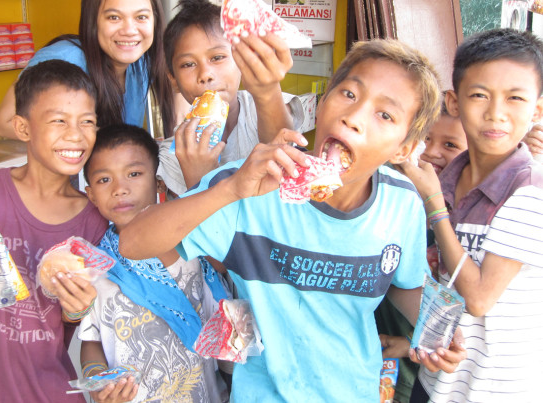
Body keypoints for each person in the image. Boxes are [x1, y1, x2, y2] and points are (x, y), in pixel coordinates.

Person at [116, 39, 467, 401]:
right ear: (323, 102)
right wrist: (230, 189)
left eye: (385, 115)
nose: (355, 117)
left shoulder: (401, 204)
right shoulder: (253, 187)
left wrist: (436, 330)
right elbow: (133, 243)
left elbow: (403, 284)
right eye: (348, 93)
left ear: (404, 149)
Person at [0, 60, 108, 402]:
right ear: (23, 129)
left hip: (42, 390)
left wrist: (75, 310)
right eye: (59, 120)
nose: (76, 134)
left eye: (87, 122)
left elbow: (79, 327)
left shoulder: (93, 221)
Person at [397, 28, 543, 403]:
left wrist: (432, 205)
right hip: (438, 380)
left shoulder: (529, 192)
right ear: (455, 102)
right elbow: (446, 280)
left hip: (496, 390)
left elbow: (478, 298)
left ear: (537, 109)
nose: (496, 114)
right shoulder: (449, 178)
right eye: (480, 95)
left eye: (515, 99)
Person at [78, 124, 229, 403]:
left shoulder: (193, 248)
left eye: (134, 174)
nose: (120, 189)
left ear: (158, 184)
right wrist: (97, 381)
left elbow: (226, 328)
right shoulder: (94, 267)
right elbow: (90, 342)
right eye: (103, 180)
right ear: (91, 195)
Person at [0, 0, 174, 139]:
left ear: (155, 21)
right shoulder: (63, 60)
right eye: (114, 17)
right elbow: (3, 123)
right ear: (92, 22)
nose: (129, 30)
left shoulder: (142, 62)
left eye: (141, 17)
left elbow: (182, 89)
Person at [157, 0, 305, 196]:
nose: (205, 75)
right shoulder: (176, 152)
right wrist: (199, 177)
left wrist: (267, 91)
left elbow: (281, 143)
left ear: (241, 60)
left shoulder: (262, 107)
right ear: (173, 80)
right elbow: (197, 222)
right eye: (188, 64)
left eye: (217, 57)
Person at [376, 100, 468, 402]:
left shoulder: (461, 216)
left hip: (416, 369)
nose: (431, 151)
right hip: (376, 350)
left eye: (450, 144)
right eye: (426, 137)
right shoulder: (391, 196)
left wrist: (410, 342)